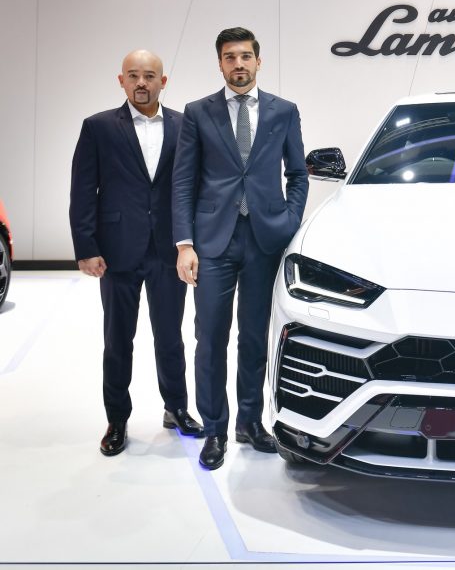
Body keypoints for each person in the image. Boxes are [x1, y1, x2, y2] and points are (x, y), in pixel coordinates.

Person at [172, 27, 309, 471]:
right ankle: (215, 428)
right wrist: (185, 243)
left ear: (258, 61)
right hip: (213, 241)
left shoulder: (283, 111)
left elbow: (298, 174)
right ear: (220, 63)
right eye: (230, 57)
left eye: (246, 56)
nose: (239, 64)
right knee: (210, 336)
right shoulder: (198, 112)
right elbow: (183, 181)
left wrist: (289, 220)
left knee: (253, 337)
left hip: (265, 239)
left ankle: (249, 422)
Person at [70, 50, 203, 457]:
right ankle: (117, 419)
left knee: (171, 337)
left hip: (168, 249)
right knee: (117, 340)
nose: (141, 82)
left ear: (163, 81)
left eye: (149, 75)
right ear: (121, 81)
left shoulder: (184, 125)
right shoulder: (98, 127)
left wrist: (192, 242)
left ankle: (176, 408)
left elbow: (194, 187)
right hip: (117, 251)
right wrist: (86, 247)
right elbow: (83, 190)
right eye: (133, 75)